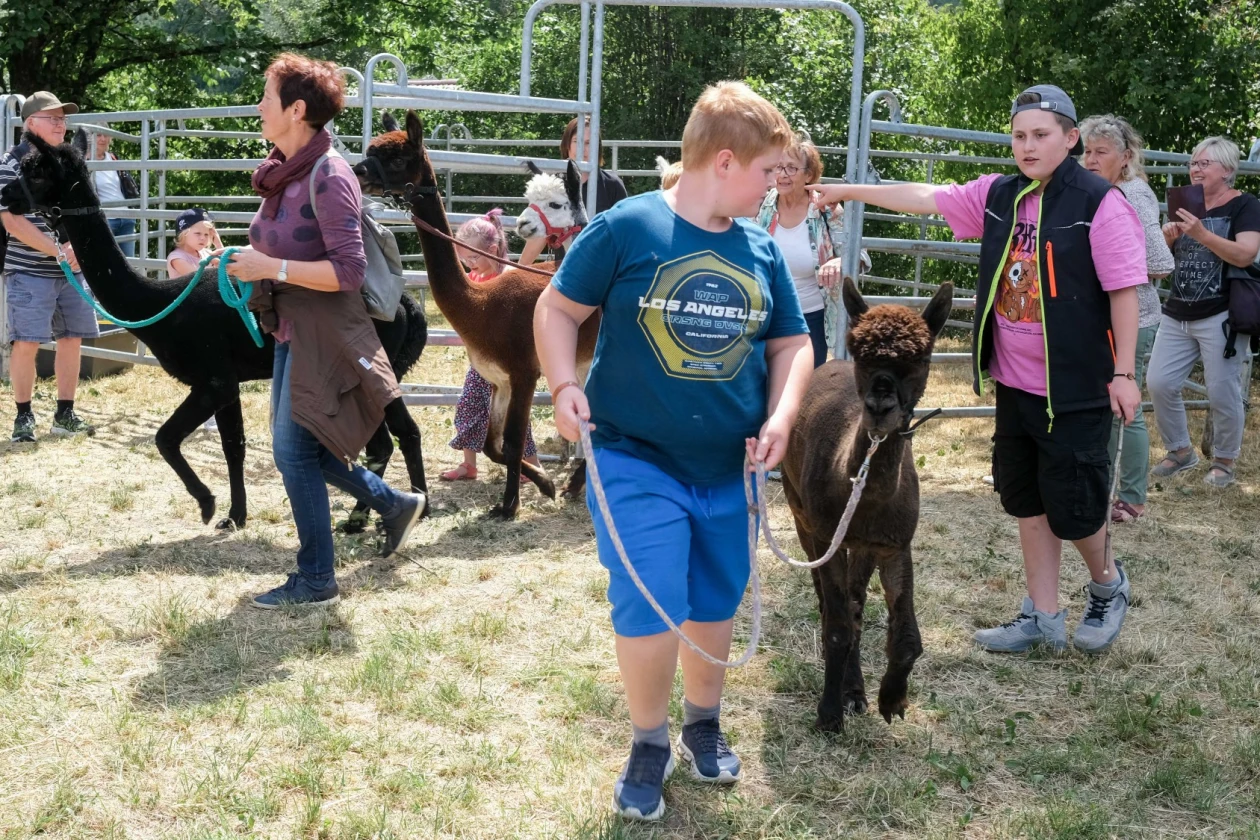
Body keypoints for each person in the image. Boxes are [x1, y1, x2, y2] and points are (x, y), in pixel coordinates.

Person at [535, 81, 812, 821]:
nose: (773, 187)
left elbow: (791, 343)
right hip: (635, 457)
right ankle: (649, 740)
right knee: (651, 598)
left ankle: (703, 722)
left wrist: (783, 414)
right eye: (767, 173)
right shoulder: (628, 228)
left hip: (731, 466)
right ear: (725, 162)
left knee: (715, 596)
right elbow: (556, 308)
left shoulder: (759, 248)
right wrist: (563, 385)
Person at [806, 85, 1146, 655]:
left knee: (1076, 507)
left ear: (1070, 138)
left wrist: (1125, 373)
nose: (1028, 146)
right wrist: (846, 190)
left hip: (1074, 385)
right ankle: (1042, 614)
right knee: (1026, 499)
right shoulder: (999, 195)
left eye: (1041, 135)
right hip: (1014, 381)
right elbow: (927, 196)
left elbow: (1123, 291)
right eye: (1019, 136)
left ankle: (1108, 586)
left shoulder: (1099, 203)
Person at [213, 53, 425, 609]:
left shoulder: (329, 176)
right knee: (298, 449)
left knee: (292, 451)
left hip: (324, 331)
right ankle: (394, 504)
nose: (259, 107)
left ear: (296, 110)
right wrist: (244, 262)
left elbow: (349, 272)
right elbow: (284, 246)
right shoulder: (285, 170)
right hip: (293, 326)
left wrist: (270, 267)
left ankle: (316, 578)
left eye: (267, 97)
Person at [1146, 137, 1260, 489]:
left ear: (1227, 169)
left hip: (1221, 314)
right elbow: (1166, 262)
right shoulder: (1185, 202)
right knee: (1159, 382)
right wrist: (1167, 240)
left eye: (1204, 163)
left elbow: (1245, 254)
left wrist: (1200, 233)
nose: (1195, 169)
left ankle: (1224, 461)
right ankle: (1181, 451)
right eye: (1193, 163)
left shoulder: (1245, 205)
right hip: (1177, 310)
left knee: (1222, 391)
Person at [1079, 115, 1175, 521]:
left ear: (1126, 156)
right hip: (1102, 317)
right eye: (1087, 151)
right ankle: (1103, 486)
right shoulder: (1098, 190)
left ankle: (1133, 499)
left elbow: (1160, 262)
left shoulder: (1132, 193)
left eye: (1101, 151)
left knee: (1124, 408)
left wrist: (1111, 265)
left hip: (1134, 316)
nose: (1090, 159)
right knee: (1104, 404)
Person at [0, 91, 98, 442]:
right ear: (30, 123)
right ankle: (23, 416)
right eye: (52, 118)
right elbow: (12, 222)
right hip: (29, 270)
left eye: (63, 119)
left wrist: (79, 248)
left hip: (71, 268)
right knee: (26, 342)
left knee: (72, 338)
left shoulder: (70, 162)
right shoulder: (9, 164)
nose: (60, 125)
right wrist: (59, 251)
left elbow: (86, 210)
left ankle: (64, 414)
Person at [440, 209, 542, 481]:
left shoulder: (509, 279)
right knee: (470, 403)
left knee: (514, 412)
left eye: (474, 258)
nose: (469, 265)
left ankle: (531, 465)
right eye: (464, 260)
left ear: (493, 250)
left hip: (509, 359)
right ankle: (469, 464)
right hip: (485, 358)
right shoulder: (472, 280)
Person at [755, 131, 868, 367]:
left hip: (811, 317)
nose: (782, 175)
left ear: (808, 175)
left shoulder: (826, 208)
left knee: (807, 381)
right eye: (779, 167)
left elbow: (860, 255)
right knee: (763, 380)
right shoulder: (760, 204)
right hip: (766, 313)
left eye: (791, 168)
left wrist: (840, 261)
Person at [518, 117, 628, 266]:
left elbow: (624, 236)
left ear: (597, 147)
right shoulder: (552, 187)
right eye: (577, 141)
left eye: (588, 143)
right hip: (563, 269)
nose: (583, 149)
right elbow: (538, 233)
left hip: (602, 269)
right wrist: (518, 270)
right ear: (567, 144)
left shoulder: (612, 185)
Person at [87, 130, 139, 258]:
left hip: (126, 218)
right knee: (105, 262)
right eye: (98, 135)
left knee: (129, 263)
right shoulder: (84, 161)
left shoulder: (113, 158)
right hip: (106, 220)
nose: (103, 139)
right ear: (89, 137)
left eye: (106, 135)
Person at [166, 208, 223, 277]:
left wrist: (218, 244)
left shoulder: (206, 253)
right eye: (198, 233)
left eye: (206, 234)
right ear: (184, 234)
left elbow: (228, 269)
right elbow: (198, 279)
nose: (203, 238)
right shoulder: (177, 258)